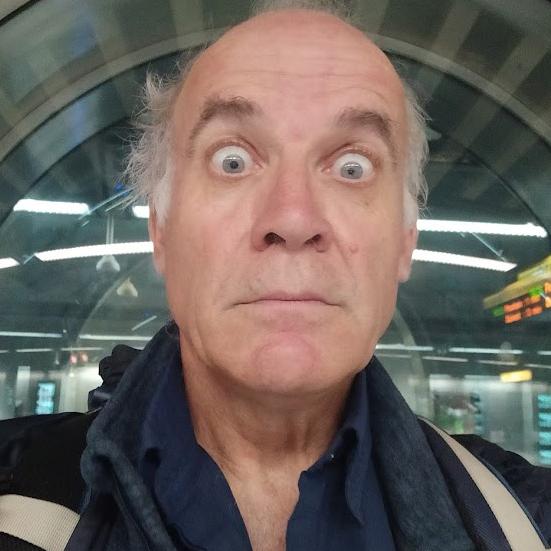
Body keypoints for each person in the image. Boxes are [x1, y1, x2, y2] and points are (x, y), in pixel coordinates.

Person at [1, 2, 550, 551]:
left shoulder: (522, 518)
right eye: (232, 161)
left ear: (405, 241)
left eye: (352, 167)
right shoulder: (15, 491)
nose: (293, 218)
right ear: (161, 231)